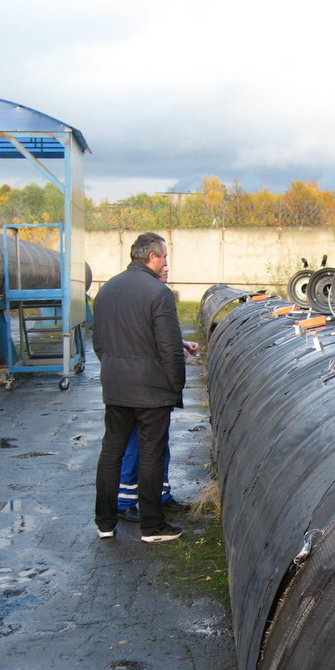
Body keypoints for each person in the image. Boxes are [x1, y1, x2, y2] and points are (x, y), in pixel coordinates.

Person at [92, 232, 187, 543]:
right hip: (151, 391)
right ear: (152, 258)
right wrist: (176, 387)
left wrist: (113, 370)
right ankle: (152, 527)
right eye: (165, 256)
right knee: (151, 455)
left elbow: (99, 342)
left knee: (111, 453)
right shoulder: (159, 293)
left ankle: (105, 523)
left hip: (115, 386)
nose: (166, 262)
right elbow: (169, 348)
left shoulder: (106, 290)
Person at [116, 261, 198, 521]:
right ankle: (125, 500)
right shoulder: (143, 296)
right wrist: (175, 379)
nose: (166, 268)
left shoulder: (155, 295)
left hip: (151, 383)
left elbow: (158, 336)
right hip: (141, 385)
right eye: (163, 262)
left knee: (158, 444)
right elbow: (141, 339)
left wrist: (180, 344)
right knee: (137, 444)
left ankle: (160, 495)